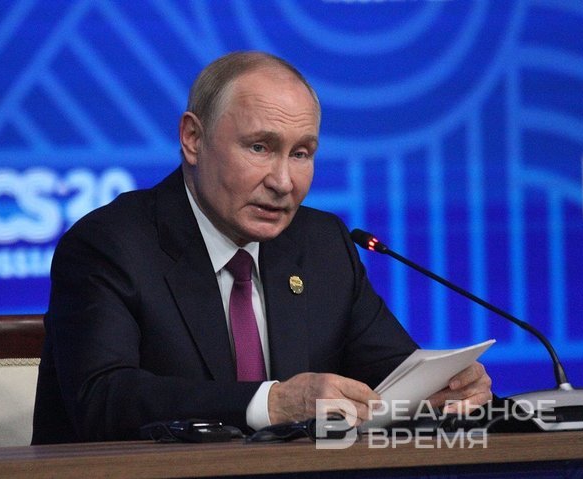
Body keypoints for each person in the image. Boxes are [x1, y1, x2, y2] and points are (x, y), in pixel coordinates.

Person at [31, 51, 492, 444]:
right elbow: (102, 399)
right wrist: (271, 403)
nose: (283, 182)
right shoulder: (109, 244)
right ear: (193, 139)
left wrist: (444, 390)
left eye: (301, 153)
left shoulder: (322, 245)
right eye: (260, 148)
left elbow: (391, 377)